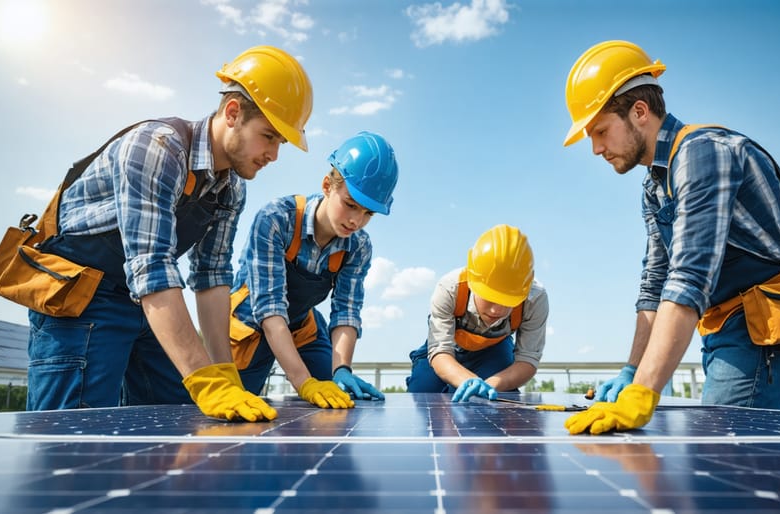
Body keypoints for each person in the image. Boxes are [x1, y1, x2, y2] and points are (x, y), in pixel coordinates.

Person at [27, 45, 314, 422]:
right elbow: (152, 266)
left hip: (147, 303)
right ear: (232, 114)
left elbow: (211, 277)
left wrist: (223, 374)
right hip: (82, 299)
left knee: (174, 419)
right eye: (269, 136)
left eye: (280, 142)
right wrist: (204, 379)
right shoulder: (157, 147)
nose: (274, 155)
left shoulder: (231, 188)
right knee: (73, 432)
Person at [560, 40, 780, 434]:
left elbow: (688, 279)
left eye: (600, 131)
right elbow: (655, 285)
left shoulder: (704, 155)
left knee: (723, 450)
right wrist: (632, 370)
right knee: (769, 460)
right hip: (730, 321)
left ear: (639, 112)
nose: (596, 148)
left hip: (768, 321)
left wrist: (643, 393)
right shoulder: (655, 186)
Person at [228, 131, 399, 408]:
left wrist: (341, 368)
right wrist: (304, 383)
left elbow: (346, 311)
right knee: (238, 410)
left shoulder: (358, 246)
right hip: (250, 329)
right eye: (350, 205)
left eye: (368, 213)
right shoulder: (275, 219)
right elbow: (270, 311)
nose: (356, 221)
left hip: (302, 327)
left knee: (339, 398)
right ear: (327, 186)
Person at [406, 225, 549, 403]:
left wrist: (491, 385)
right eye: (490, 297)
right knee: (423, 390)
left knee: (499, 396)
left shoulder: (535, 299)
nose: (497, 310)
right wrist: (467, 380)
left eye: (509, 300)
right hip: (447, 347)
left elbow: (527, 361)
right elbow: (440, 351)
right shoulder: (450, 288)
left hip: (494, 351)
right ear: (473, 281)